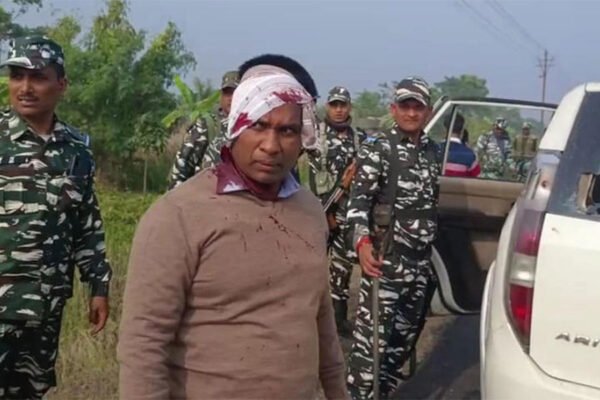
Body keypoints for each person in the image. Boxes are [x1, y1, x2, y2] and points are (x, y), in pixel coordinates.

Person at [117, 58, 348, 400]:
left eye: (287, 131)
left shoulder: (310, 211)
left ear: (302, 138)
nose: (271, 145)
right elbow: (144, 344)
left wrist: (337, 392)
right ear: (236, 125)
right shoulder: (178, 215)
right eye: (258, 125)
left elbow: (320, 317)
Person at [0, 36, 111, 399]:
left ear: (61, 84)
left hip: (45, 307)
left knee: (29, 393)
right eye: (17, 76)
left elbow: (86, 225)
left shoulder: (77, 151)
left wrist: (98, 286)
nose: (25, 88)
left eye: (38, 77)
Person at [345, 77, 441, 399]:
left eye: (418, 107)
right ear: (393, 109)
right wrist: (362, 243)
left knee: (401, 345)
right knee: (370, 350)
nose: (411, 113)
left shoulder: (432, 151)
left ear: (428, 112)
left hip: (419, 265)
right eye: (405, 106)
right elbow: (358, 203)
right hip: (386, 264)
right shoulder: (379, 148)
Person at [308, 86, 365, 337]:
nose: (339, 110)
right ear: (328, 106)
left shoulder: (359, 138)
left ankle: (338, 322)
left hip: (344, 215)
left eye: (343, 105)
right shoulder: (314, 135)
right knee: (310, 268)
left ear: (349, 107)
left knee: (342, 269)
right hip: (317, 211)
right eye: (334, 105)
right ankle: (307, 319)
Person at [168, 70, 239, 189]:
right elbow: (182, 166)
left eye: (236, 93)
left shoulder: (254, 127)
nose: (231, 98)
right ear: (221, 96)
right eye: (227, 93)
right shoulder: (208, 125)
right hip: (207, 195)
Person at [442, 113, 480, 177]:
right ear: (462, 131)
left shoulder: (433, 150)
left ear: (444, 129)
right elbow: (476, 178)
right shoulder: (470, 155)